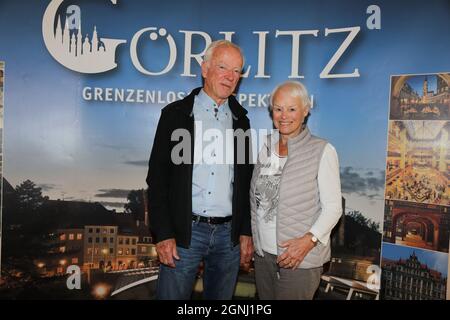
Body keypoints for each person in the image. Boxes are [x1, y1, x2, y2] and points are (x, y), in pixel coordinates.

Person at [146, 40, 253, 300]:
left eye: (236, 71)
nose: (230, 76)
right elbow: (157, 179)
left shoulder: (241, 121)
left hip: (228, 239)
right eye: (223, 67)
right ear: (205, 69)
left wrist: (246, 231)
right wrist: (163, 233)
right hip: (185, 234)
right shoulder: (176, 115)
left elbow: (247, 182)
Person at [250, 81, 342, 300]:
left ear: (306, 111)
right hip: (264, 256)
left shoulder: (322, 150)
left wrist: (308, 242)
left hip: (299, 258)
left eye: (292, 109)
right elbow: (256, 200)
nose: (284, 116)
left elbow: (333, 208)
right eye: (278, 109)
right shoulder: (265, 146)